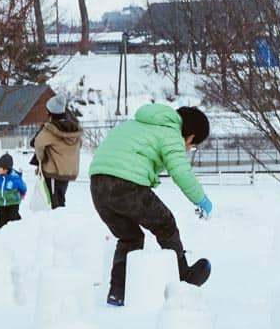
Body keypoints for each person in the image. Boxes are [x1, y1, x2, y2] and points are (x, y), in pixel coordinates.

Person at [87, 104, 213, 306]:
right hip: (126, 184)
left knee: (130, 237)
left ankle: (118, 292)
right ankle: (183, 277)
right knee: (165, 224)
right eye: (192, 145)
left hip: (98, 186)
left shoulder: (136, 125)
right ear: (190, 137)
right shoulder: (171, 132)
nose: (189, 149)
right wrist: (201, 200)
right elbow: (180, 171)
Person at [33, 96, 83, 209]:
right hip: (68, 171)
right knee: (60, 198)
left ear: (50, 111)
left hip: (53, 172)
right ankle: (59, 222)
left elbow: (38, 143)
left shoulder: (50, 130)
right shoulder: (74, 128)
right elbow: (80, 145)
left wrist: (42, 159)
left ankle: (56, 224)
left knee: (53, 202)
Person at [0, 153, 27, 228]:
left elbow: (22, 186)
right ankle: (2, 236)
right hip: (1, 203)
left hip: (13, 202)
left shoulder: (15, 179)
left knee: (13, 219)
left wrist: (23, 193)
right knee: (2, 222)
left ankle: (19, 229)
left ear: (6, 169)